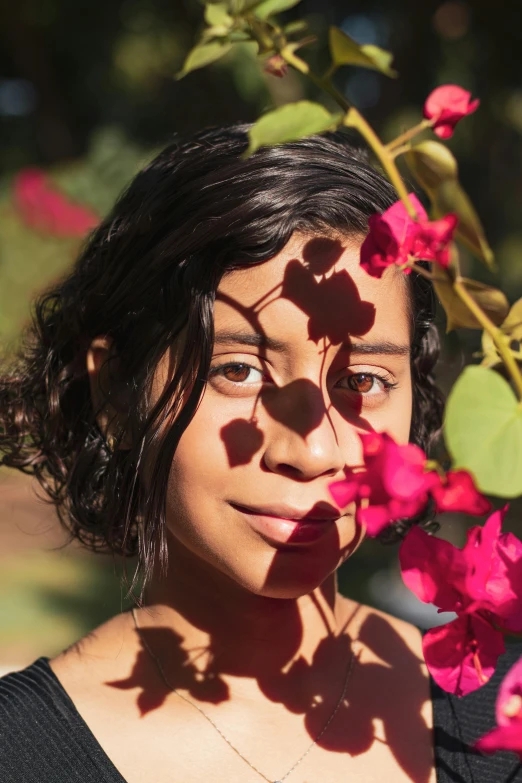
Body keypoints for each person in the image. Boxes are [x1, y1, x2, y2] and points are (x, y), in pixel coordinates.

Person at [0, 125, 520, 783]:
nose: (311, 449)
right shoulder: (17, 754)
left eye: (362, 381)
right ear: (116, 393)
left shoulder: (500, 718)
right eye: (239, 370)